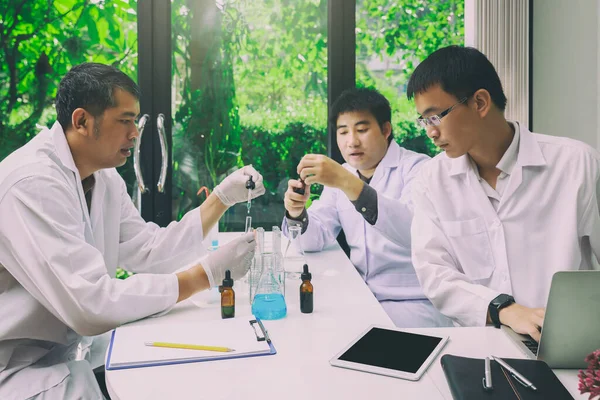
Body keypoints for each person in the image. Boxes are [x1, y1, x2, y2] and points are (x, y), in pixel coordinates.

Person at [0, 63, 265, 399]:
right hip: (15, 370)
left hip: (65, 355)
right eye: (124, 121)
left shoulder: (104, 178)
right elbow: (89, 304)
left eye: (135, 122)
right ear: (82, 121)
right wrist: (205, 275)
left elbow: (149, 251)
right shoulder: (31, 185)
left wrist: (221, 199)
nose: (135, 134)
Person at [407, 45, 600, 341]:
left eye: (435, 117)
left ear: (480, 102)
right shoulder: (432, 181)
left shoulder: (576, 164)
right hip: (480, 348)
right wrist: (503, 310)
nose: (430, 131)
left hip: (566, 346)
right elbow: (435, 274)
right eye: (424, 121)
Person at [282, 87, 453, 328]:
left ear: (385, 130)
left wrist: (347, 183)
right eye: (343, 132)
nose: (352, 141)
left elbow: (414, 231)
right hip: (360, 297)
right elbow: (313, 240)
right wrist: (296, 212)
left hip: (414, 302)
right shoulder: (345, 174)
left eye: (362, 130)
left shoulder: (418, 169)